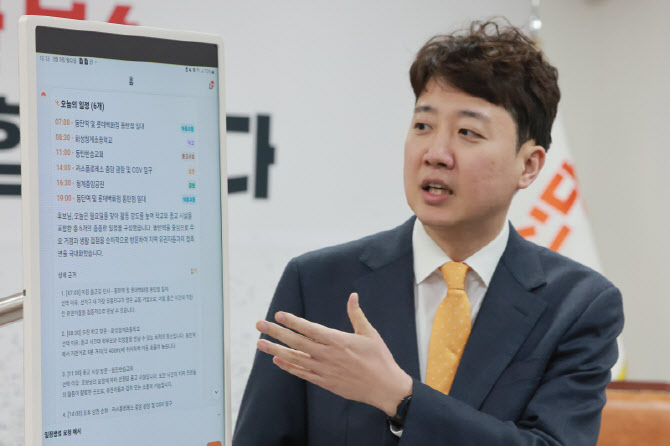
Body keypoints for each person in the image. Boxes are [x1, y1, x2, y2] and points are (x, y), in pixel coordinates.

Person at [233, 20, 624, 446]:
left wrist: (401, 398)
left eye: (468, 133)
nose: (435, 154)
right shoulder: (317, 282)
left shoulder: (579, 305)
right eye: (423, 126)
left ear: (528, 165)